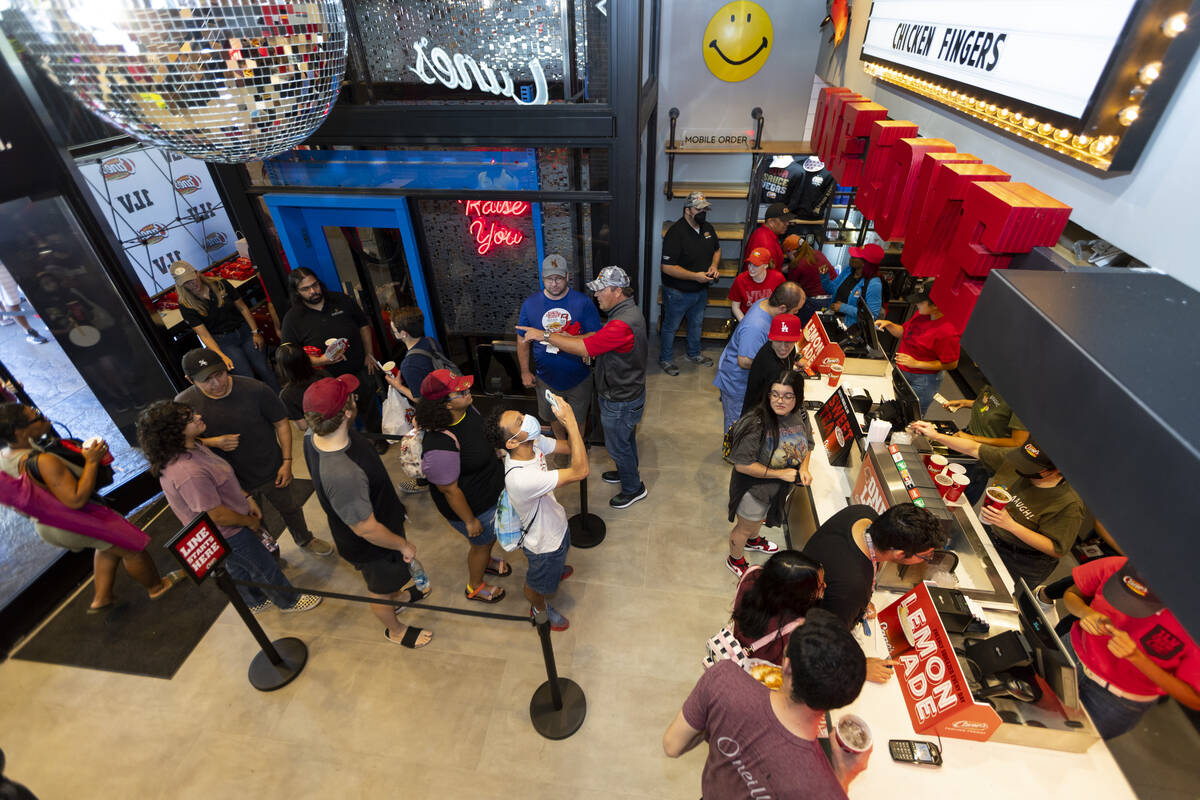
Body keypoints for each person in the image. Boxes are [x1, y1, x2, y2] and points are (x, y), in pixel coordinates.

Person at [663, 608, 870, 799]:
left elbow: (672, 745)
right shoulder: (824, 789)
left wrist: (717, 720)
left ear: (787, 666)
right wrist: (844, 776)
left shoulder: (724, 681)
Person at [137, 401, 321, 614]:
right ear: (173, 432)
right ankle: (289, 601)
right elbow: (216, 515)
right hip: (228, 531)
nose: (197, 417)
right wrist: (249, 522)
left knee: (238, 566)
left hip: (230, 524)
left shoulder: (193, 446)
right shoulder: (187, 472)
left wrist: (246, 498)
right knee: (263, 565)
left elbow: (222, 482)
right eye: (189, 418)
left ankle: (255, 601)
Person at [0, 403, 184, 613]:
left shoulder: (4, 458)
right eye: (37, 417)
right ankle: (157, 587)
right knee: (133, 548)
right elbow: (76, 499)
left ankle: (102, 598)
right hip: (76, 520)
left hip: (46, 524)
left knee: (106, 546)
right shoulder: (43, 461)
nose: (44, 417)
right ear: (19, 431)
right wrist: (92, 461)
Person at [302, 375, 434, 648]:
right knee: (378, 590)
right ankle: (395, 629)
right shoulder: (342, 472)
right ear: (347, 412)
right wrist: (403, 544)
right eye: (351, 396)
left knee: (390, 583)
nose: (356, 397)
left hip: (380, 521)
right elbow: (366, 528)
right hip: (372, 545)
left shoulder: (314, 435)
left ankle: (396, 597)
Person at [175, 348, 334, 558]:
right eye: (207, 380)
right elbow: (180, 441)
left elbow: (281, 424)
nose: (217, 384)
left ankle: (305, 538)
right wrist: (211, 442)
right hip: (230, 482)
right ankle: (271, 553)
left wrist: (287, 461)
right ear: (190, 379)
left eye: (220, 374)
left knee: (291, 507)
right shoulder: (183, 405)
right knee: (253, 521)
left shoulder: (255, 389)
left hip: (272, 467)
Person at [517, 266, 649, 510]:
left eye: (600, 290)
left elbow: (586, 348)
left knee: (618, 446)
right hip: (625, 393)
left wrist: (544, 335)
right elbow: (589, 341)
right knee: (625, 440)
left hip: (620, 397)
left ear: (617, 291)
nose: (596, 295)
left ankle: (633, 488)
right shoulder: (625, 313)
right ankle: (626, 472)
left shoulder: (622, 323)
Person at [907, 428, 1085, 587]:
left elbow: (1056, 548)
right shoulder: (1019, 460)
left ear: (1057, 470)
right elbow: (974, 449)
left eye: (1031, 467)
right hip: (990, 533)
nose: (1020, 468)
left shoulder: (1069, 504)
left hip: (1021, 560)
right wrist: (936, 435)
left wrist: (1010, 525)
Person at [803, 502, 945, 682]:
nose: (927, 560)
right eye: (926, 556)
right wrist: (859, 668)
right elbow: (820, 647)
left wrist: (860, 600)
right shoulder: (851, 587)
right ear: (900, 554)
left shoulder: (863, 513)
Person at [1062, 556, 1200, 739]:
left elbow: (1195, 699)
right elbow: (1072, 594)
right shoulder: (1118, 566)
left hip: (1114, 702)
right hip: (1069, 657)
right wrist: (1085, 613)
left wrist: (1137, 657)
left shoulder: (1192, 624)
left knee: (1068, 744)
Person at [484, 392, 588, 631]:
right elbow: (580, 470)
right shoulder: (522, 478)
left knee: (559, 557)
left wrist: (570, 428)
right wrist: (571, 422)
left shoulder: (533, 441)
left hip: (556, 524)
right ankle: (539, 608)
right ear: (511, 443)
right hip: (543, 546)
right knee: (538, 585)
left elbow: (569, 447)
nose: (527, 418)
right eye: (520, 422)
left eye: (521, 415)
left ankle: (556, 569)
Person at [414, 369, 510, 603]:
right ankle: (475, 586)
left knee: (490, 537)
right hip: (473, 507)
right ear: (446, 405)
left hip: (490, 491)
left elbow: (482, 437)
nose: (468, 391)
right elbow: (449, 490)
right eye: (460, 391)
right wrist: (469, 520)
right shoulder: (439, 443)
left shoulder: (467, 410)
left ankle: (486, 559)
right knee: (481, 543)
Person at [279, 268, 386, 453]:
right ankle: (344, 446)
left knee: (368, 405)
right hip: (324, 381)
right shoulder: (292, 318)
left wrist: (369, 354)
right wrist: (321, 360)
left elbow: (363, 325)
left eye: (315, 285)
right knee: (334, 415)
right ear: (297, 292)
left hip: (357, 369)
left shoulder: (341, 300)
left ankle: (378, 438)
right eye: (306, 289)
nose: (313, 291)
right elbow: (290, 356)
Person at [726, 371, 814, 577]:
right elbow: (742, 464)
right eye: (774, 394)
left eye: (787, 396)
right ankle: (735, 559)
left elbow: (808, 443)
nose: (780, 401)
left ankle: (753, 540)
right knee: (745, 527)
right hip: (753, 490)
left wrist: (804, 467)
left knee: (757, 521)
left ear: (798, 397)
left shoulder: (800, 413)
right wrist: (780, 474)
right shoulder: (755, 423)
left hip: (776, 490)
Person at [516, 254, 602, 439]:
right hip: (545, 378)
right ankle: (561, 445)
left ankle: (577, 449)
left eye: (559, 278)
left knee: (578, 418)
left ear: (567, 277)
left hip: (579, 376)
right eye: (549, 279)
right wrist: (524, 371)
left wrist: (571, 338)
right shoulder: (530, 304)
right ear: (542, 277)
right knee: (551, 416)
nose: (554, 283)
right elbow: (522, 340)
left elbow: (595, 335)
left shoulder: (583, 302)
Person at [171, 261, 279, 391]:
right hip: (224, 342)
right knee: (246, 378)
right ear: (180, 285)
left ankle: (281, 402)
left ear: (196, 273)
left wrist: (256, 332)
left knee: (265, 369)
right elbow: (204, 334)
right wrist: (220, 355)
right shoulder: (186, 305)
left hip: (245, 332)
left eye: (192, 279)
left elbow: (243, 307)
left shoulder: (220, 284)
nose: (192, 284)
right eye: (186, 283)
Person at [714, 281, 806, 432]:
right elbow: (744, 361)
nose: (795, 314)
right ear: (782, 308)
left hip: (744, 381)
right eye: (795, 311)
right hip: (738, 384)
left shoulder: (764, 303)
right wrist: (774, 367)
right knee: (738, 428)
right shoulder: (755, 327)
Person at [874, 282, 960, 414]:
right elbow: (904, 331)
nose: (916, 304)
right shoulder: (922, 314)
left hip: (923, 380)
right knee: (896, 408)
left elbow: (951, 364)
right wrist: (890, 325)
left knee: (913, 414)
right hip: (902, 371)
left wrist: (917, 363)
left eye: (921, 302)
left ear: (936, 306)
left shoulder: (948, 332)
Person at [658, 191, 718, 375]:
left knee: (696, 324)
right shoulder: (675, 233)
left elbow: (716, 249)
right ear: (687, 210)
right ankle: (666, 359)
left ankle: (694, 354)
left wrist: (714, 266)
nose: (703, 212)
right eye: (699, 208)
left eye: (705, 208)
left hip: (700, 290)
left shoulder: (707, 227)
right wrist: (695, 276)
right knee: (671, 326)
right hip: (678, 292)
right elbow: (667, 267)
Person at [730, 550, 824, 666]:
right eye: (819, 587)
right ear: (798, 594)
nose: (825, 586)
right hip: (757, 671)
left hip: (734, 649)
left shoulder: (751, 574)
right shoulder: (795, 629)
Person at [939, 383, 1029, 504]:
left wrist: (973, 438)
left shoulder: (1023, 400)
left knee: (957, 497)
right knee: (945, 481)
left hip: (983, 453)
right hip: (967, 436)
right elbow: (990, 405)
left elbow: (1018, 443)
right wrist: (965, 403)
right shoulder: (995, 380)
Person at [741, 312, 803, 413]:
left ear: (796, 340)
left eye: (788, 341)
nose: (783, 348)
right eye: (778, 340)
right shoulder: (773, 369)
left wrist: (796, 360)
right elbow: (778, 407)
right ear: (770, 338)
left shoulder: (787, 350)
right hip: (760, 416)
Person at [386, 310, 449, 403]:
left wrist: (398, 386)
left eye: (394, 331)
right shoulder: (430, 341)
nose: (393, 333)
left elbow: (421, 400)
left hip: (440, 409)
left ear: (403, 334)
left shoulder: (408, 364)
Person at [822, 242, 885, 329]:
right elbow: (831, 290)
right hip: (834, 321)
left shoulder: (874, 284)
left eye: (855, 256)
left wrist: (843, 308)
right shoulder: (849, 270)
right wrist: (824, 276)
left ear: (864, 263)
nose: (851, 257)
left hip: (850, 329)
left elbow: (871, 316)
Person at [274, 342, 330, 433]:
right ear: (306, 358)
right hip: (337, 419)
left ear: (282, 368)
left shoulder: (286, 395)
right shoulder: (323, 374)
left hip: (318, 432)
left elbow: (303, 426)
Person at [782, 156, 836, 243]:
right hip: (792, 215)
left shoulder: (829, 173)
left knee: (806, 246)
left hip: (812, 219)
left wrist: (815, 211)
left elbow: (826, 195)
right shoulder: (797, 166)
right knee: (788, 244)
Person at [727, 247, 784, 322]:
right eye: (750, 264)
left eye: (756, 266)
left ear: (765, 265)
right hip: (748, 318)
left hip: (771, 319)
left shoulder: (778, 278)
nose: (751, 268)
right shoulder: (740, 280)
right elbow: (735, 306)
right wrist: (745, 323)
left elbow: (783, 304)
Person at [0, 260, 48, 344]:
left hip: (15, 256)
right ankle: (29, 332)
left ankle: (47, 320)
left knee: (32, 292)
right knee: (11, 301)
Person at [783, 237, 829, 323]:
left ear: (791, 252)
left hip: (814, 303)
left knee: (804, 327)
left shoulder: (796, 265)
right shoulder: (819, 254)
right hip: (831, 300)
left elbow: (791, 288)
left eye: (787, 254)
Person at [743, 203, 792, 272]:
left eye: (787, 220)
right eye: (783, 221)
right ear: (771, 222)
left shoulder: (763, 232)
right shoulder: (766, 243)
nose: (787, 223)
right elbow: (765, 276)